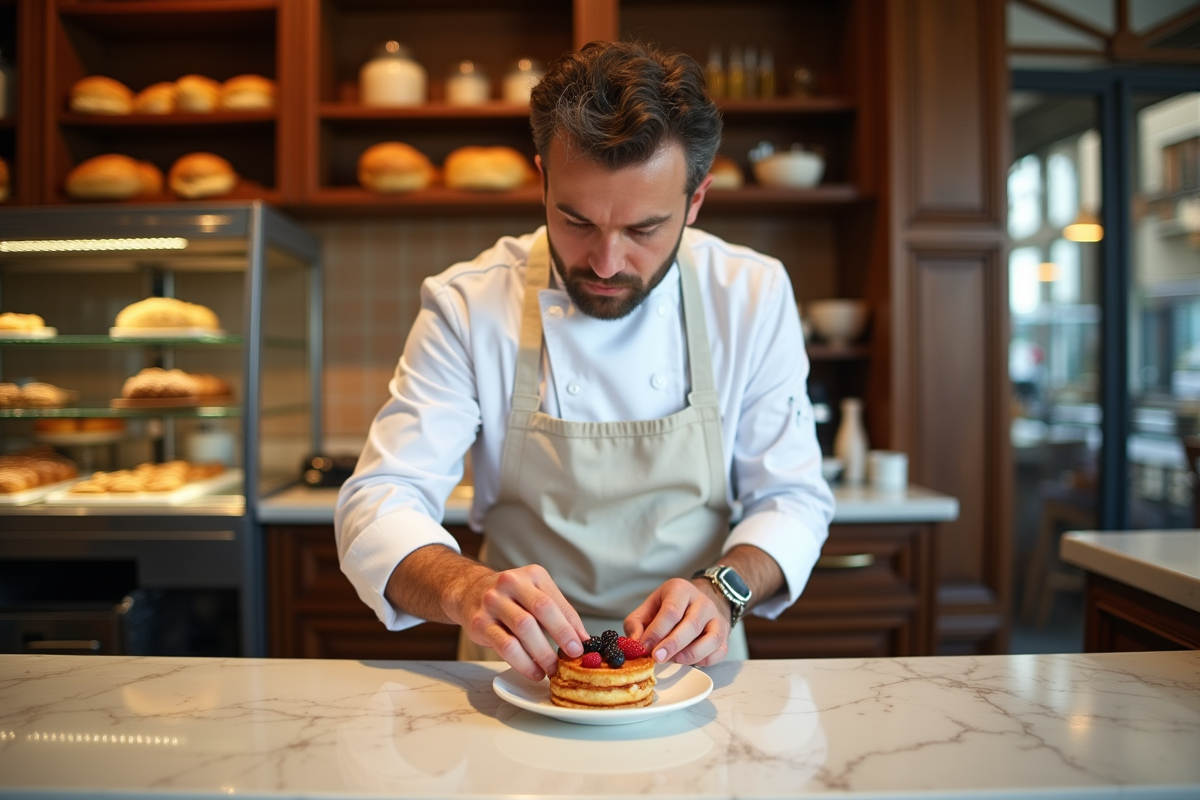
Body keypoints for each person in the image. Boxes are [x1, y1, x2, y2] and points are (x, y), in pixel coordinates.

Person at [336, 40, 835, 683]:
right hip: (514, 668)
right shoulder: (469, 301)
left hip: (692, 669)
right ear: (542, 177)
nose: (605, 263)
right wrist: (466, 590)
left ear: (697, 200)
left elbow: (792, 498)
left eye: (644, 230)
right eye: (575, 222)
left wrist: (722, 590)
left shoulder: (751, 294)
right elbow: (379, 497)